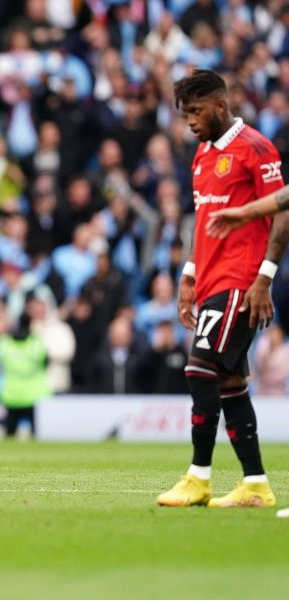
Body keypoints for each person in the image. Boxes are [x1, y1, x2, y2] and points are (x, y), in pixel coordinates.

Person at [155, 69, 288, 509]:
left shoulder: (254, 146)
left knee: (200, 368)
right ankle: (254, 484)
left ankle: (198, 476)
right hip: (210, 278)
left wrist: (265, 277)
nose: (189, 121)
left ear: (219, 105)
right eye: (184, 114)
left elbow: (283, 209)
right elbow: (202, 221)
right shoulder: (201, 155)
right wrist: (189, 275)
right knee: (229, 380)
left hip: (241, 278)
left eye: (195, 112)